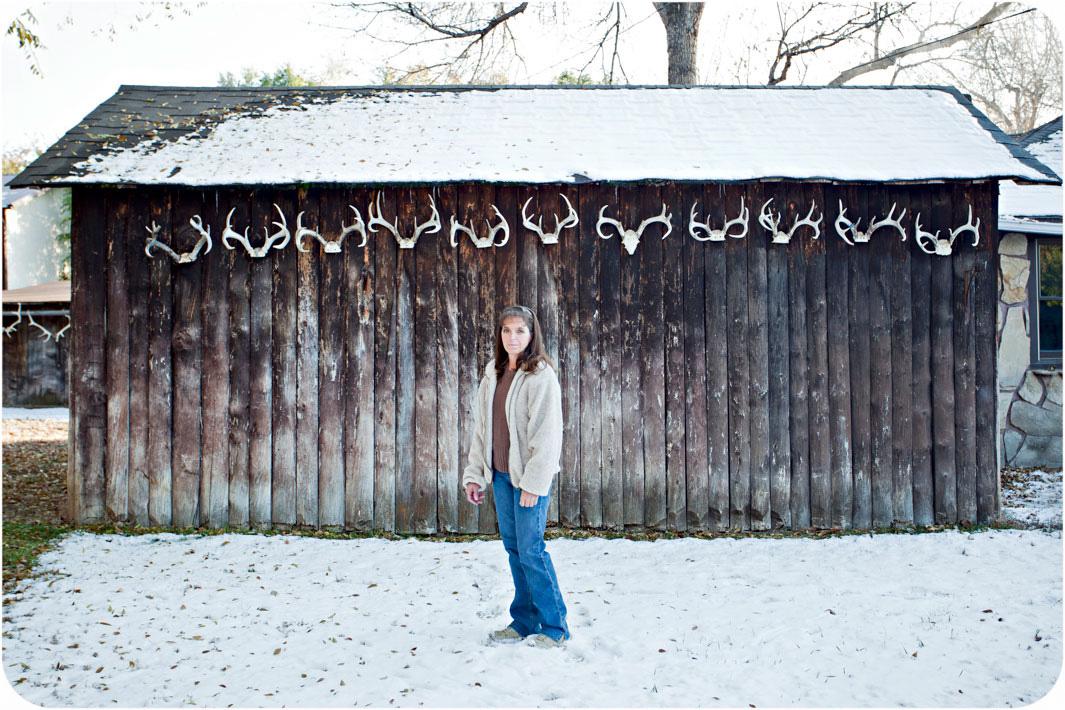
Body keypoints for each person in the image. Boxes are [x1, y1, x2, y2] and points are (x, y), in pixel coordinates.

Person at [462, 304, 571, 648]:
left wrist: (534, 485)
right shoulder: (493, 374)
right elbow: (483, 430)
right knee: (514, 549)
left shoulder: (540, 376)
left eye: (520, 331)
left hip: (527, 481)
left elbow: (547, 435)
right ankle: (524, 620)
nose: (513, 337)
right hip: (500, 477)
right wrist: (475, 475)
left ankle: (555, 628)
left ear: (532, 334)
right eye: (507, 331)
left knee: (532, 550)